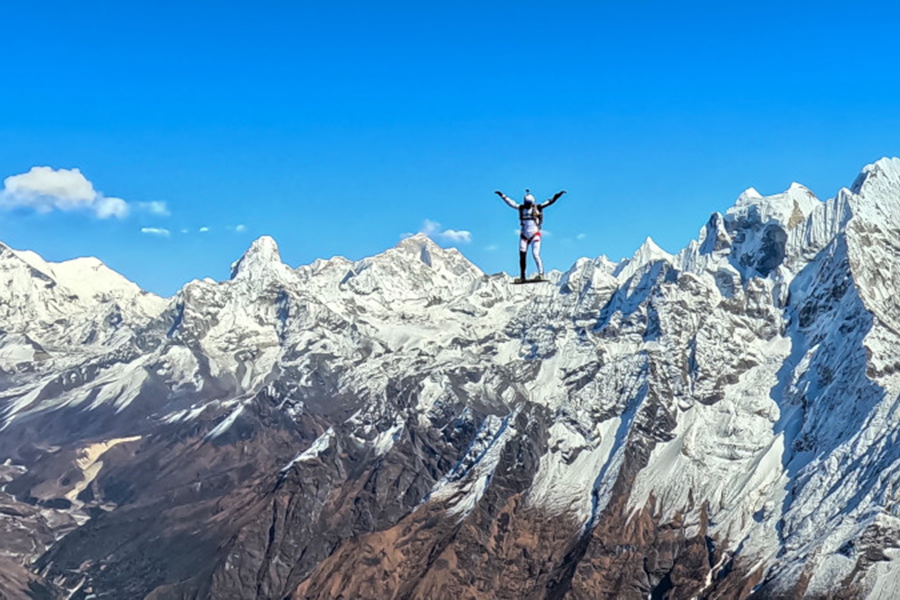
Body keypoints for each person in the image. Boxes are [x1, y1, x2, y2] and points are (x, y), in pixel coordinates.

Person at [495, 188, 566, 281]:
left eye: (529, 204)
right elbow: (511, 203)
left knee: (535, 254)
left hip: (535, 235)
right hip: (524, 235)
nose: (527, 206)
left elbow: (550, 202)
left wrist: (558, 195)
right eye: (526, 204)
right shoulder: (521, 208)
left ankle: (541, 273)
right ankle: (522, 276)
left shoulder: (537, 208)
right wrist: (502, 196)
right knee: (522, 255)